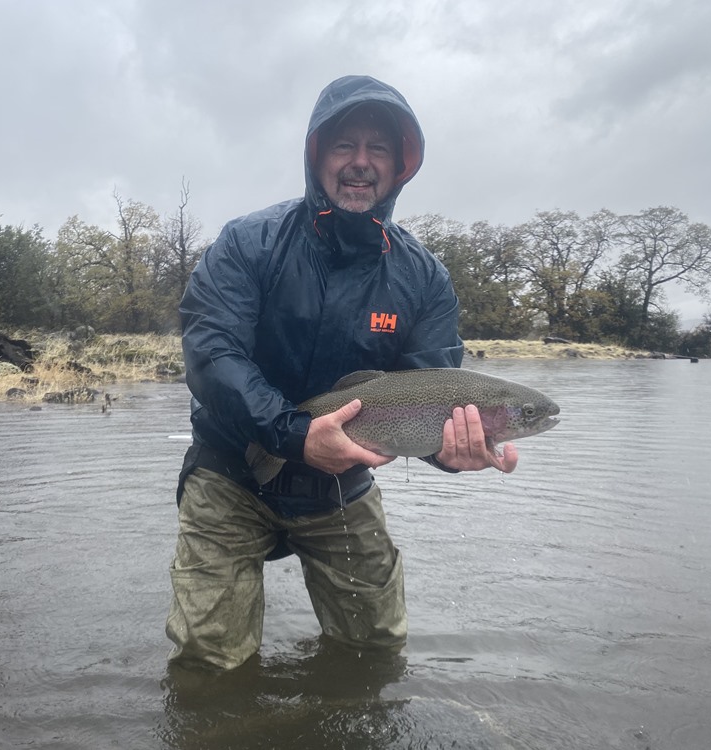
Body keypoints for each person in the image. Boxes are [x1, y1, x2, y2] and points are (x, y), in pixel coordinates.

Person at [166, 74, 519, 671]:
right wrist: (294, 435)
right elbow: (211, 352)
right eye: (344, 146)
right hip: (231, 471)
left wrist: (445, 449)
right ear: (316, 155)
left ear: (401, 164)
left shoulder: (424, 279)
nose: (360, 163)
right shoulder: (249, 243)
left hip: (341, 488)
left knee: (376, 652)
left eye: (378, 148)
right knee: (210, 661)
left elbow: (430, 389)